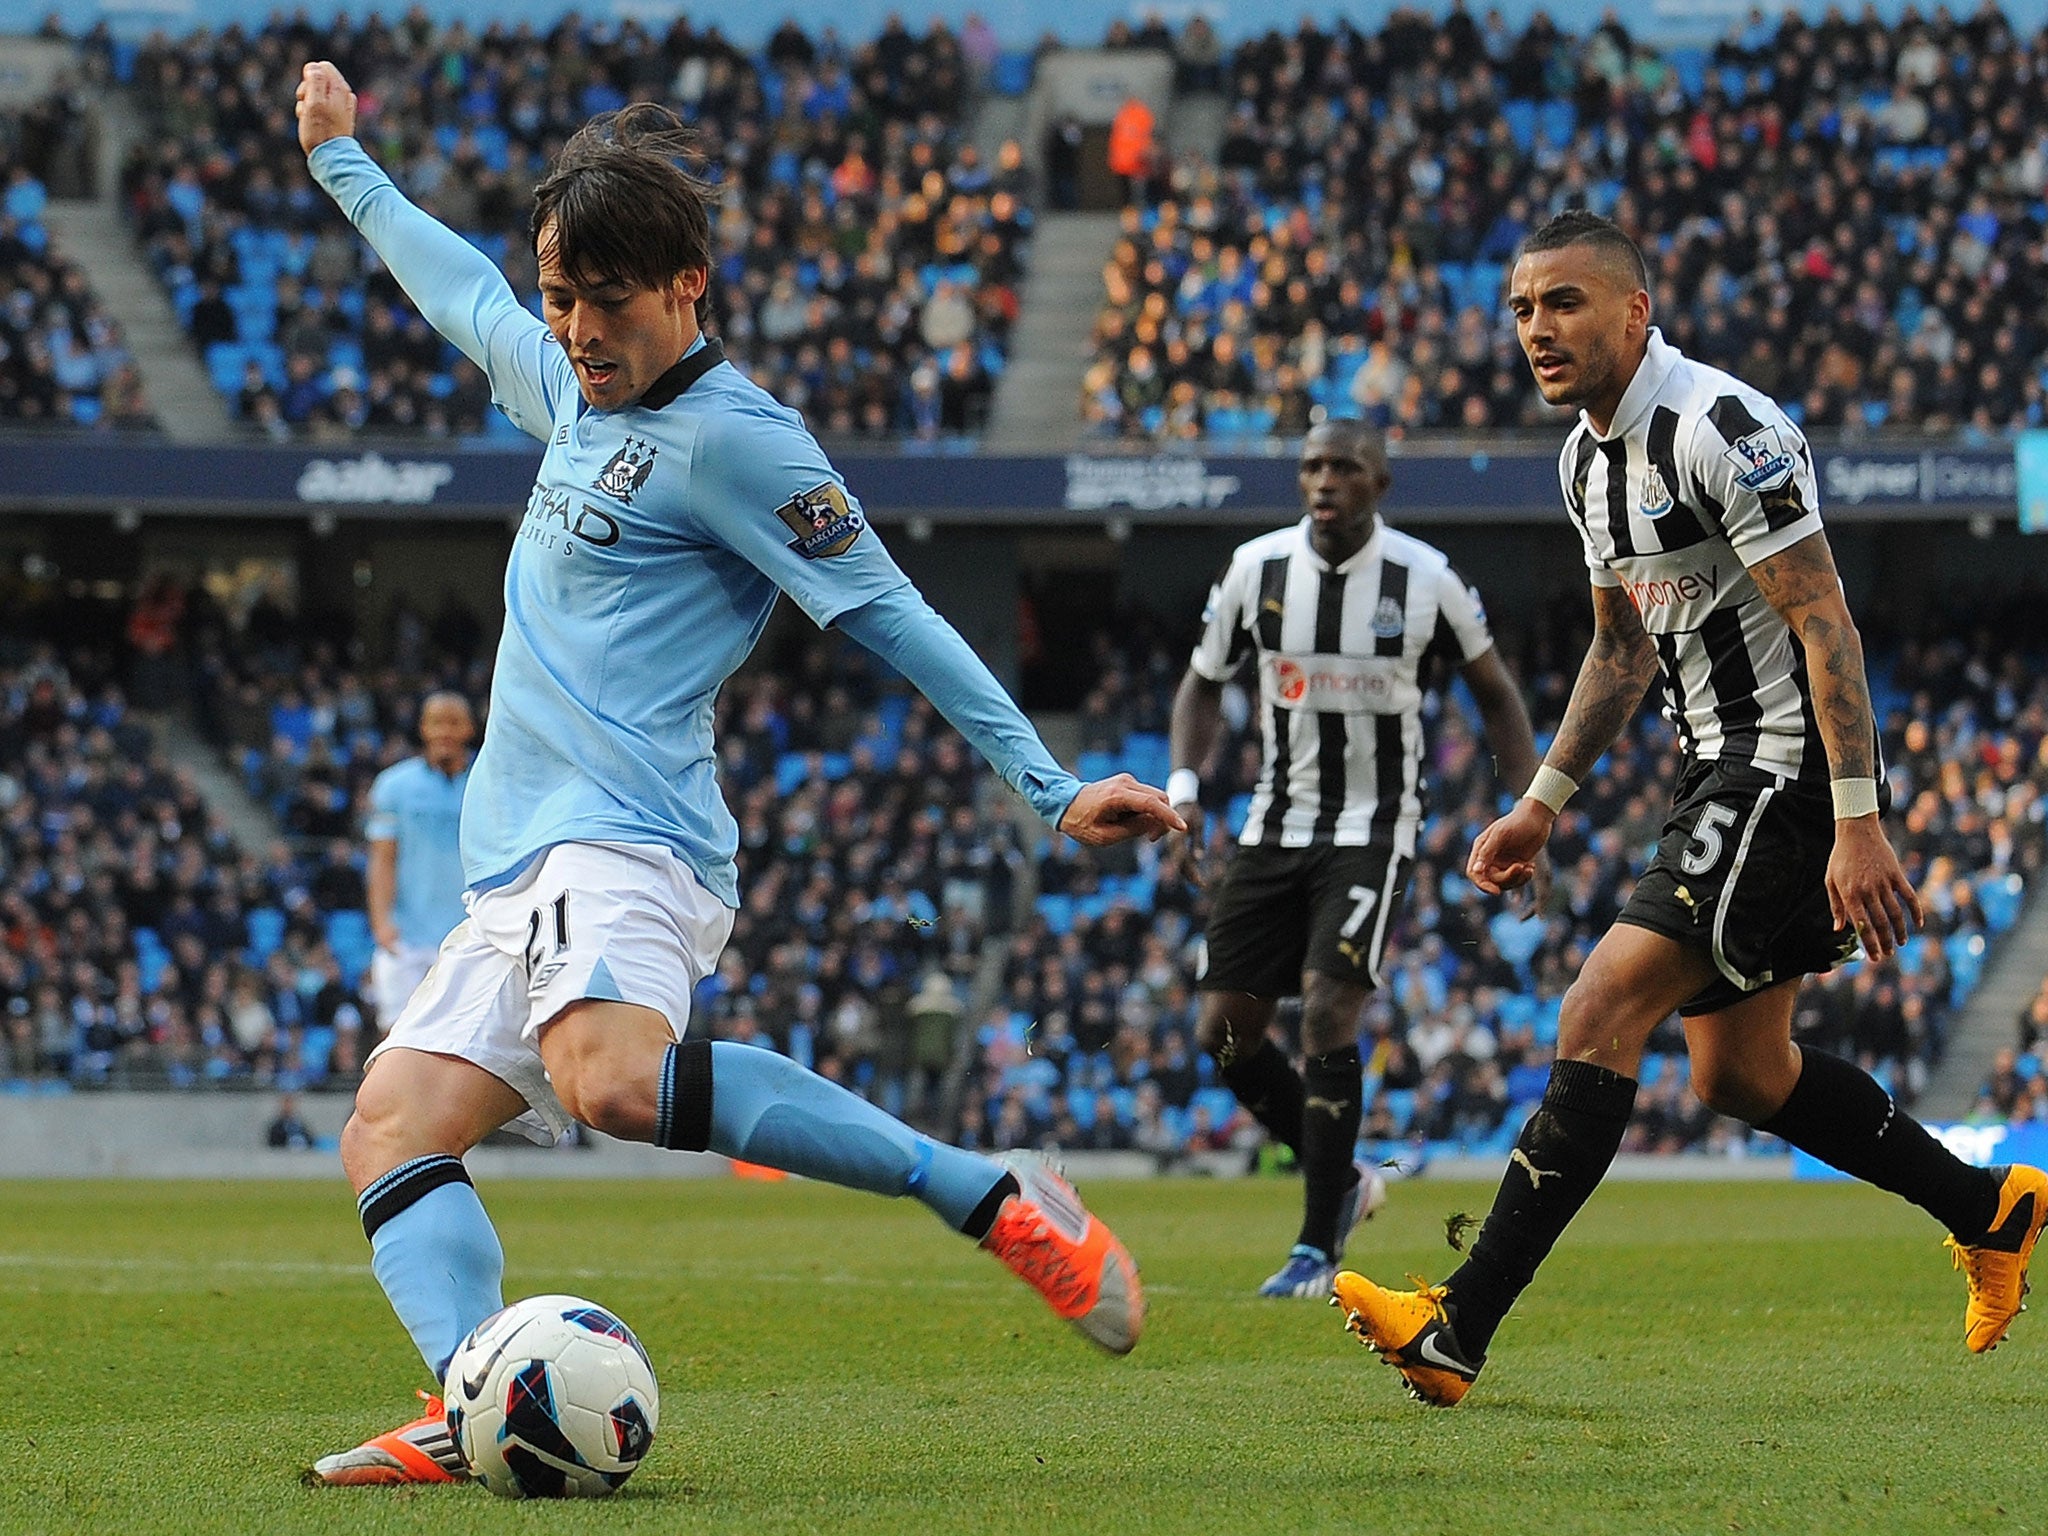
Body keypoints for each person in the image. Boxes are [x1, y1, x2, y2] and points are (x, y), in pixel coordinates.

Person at [292, 62, 1183, 1487]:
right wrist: (344, 162)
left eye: (610, 302)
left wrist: (1045, 784)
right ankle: (472, 1399)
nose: (577, 330)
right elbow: (454, 289)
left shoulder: (744, 443)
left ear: (689, 287)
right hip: (514, 867)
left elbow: (892, 608)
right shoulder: (571, 391)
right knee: (390, 1127)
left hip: (627, 837)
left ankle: (985, 1192)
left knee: (607, 1081)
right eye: (563, 296)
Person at [1333, 211, 2047, 1406]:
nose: (1536, 329)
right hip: (1712, 766)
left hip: (1785, 772)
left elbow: (1824, 620)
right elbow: (1620, 650)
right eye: (1520, 307)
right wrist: (1541, 804)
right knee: (1738, 1076)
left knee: (1599, 1001)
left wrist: (1859, 822)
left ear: (1633, 310)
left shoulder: (1723, 429)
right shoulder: (1579, 461)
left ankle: (1453, 1329)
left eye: (1562, 302)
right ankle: (1992, 1208)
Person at [1168, 418, 1543, 1298]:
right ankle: (1349, 1178)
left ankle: (1315, 1245)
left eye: (1344, 467)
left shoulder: (1426, 580)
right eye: (1311, 466)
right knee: (1222, 1034)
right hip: (1273, 826)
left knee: (1329, 1010)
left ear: (1380, 483)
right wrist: (1185, 783)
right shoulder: (1255, 571)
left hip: (1375, 832)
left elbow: (1497, 697)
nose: (1324, 481)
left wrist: (1533, 813)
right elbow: (1202, 683)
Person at [364, 692, 473, 1036]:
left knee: (464, 1040)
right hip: (407, 935)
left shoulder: (489, 784)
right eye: (437, 722)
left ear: (469, 729)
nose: (445, 732)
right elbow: (382, 858)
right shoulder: (394, 786)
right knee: (395, 1039)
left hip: (470, 936)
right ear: (423, 728)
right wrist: (382, 922)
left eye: (454, 723)